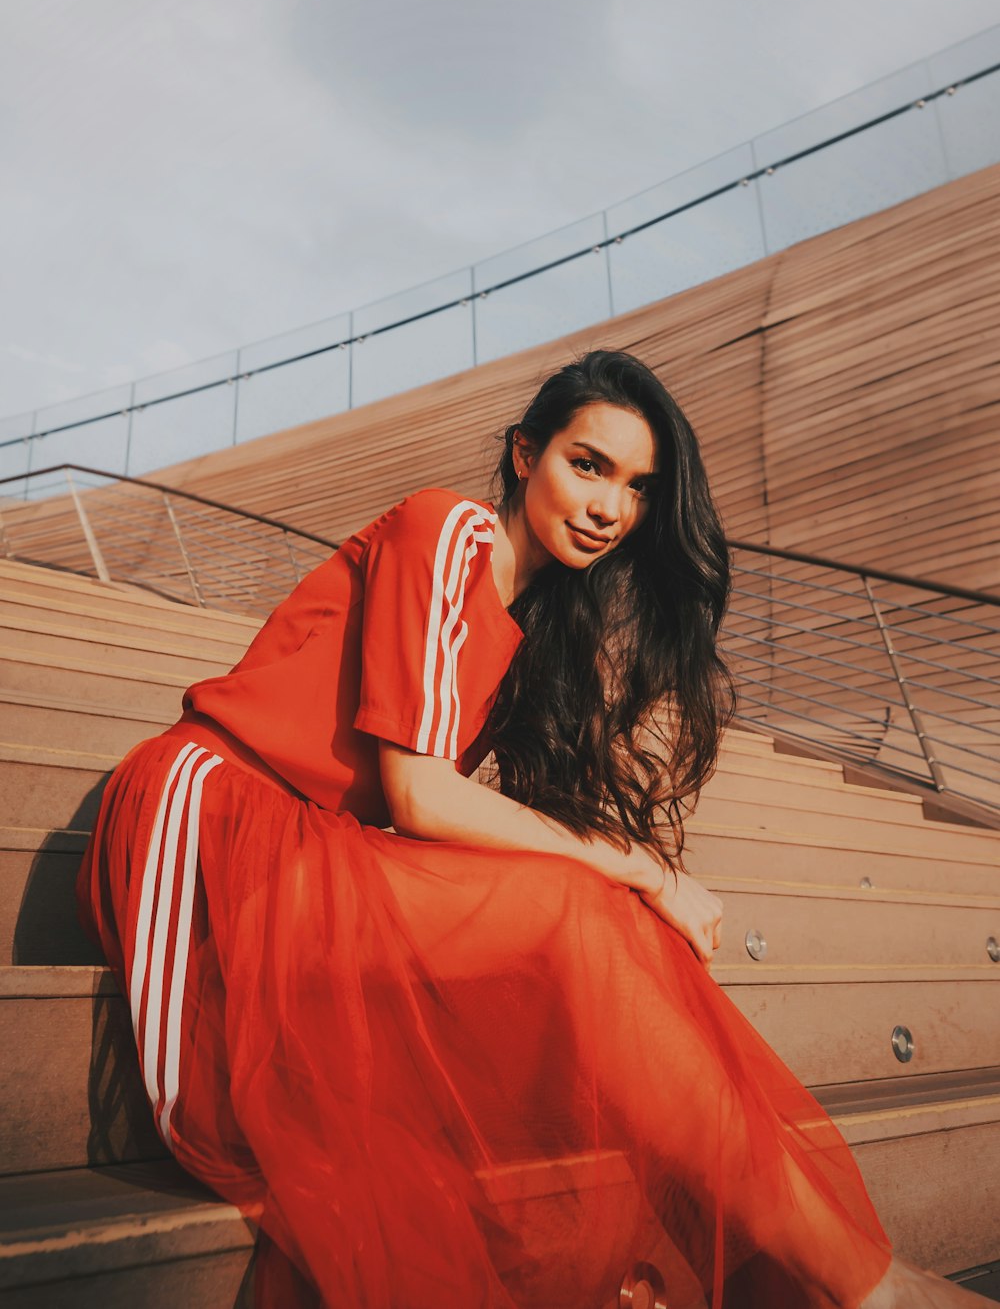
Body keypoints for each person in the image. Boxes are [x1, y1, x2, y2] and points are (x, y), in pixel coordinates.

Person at [76, 349, 989, 1308]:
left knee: (606, 930)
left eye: (636, 487)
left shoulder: (532, 628)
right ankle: (871, 1290)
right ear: (524, 455)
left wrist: (631, 878)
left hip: (318, 856)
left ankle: (812, 1282)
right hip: (216, 817)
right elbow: (422, 796)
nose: (609, 506)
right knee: (588, 908)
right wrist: (639, 864)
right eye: (586, 465)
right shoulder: (447, 531)